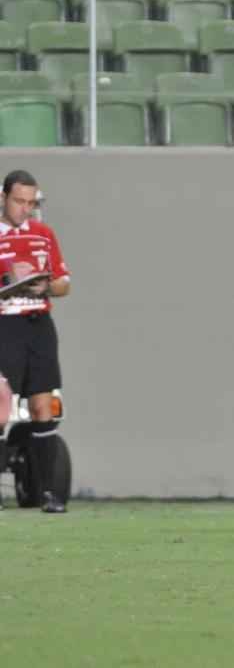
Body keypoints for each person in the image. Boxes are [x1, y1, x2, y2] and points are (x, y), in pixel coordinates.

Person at [0, 170, 71, 513]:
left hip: (38, 324)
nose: (25, 209)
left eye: (31, 203)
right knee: (1, 407)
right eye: (19, 201)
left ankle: (48, 493)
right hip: (4, 325)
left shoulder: (44, 235)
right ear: (3, 198)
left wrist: (46, 286)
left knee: (44, 406)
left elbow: (64, 283)